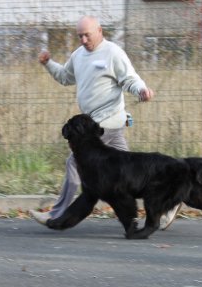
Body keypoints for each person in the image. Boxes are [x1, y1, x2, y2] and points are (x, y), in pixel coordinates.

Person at [30, 15, 180, 229]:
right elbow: (65, 77)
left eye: (87, 35)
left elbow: (129, 78)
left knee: (74, 163)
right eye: (79, 35)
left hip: (106, 124)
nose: (83, 39)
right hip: (92, 127)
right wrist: (48, 64)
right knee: (132, 172)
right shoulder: (78, 55)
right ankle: (170, 200)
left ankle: (56, 214)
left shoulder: (113, 53)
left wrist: (141, 90)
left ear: (99, 31)